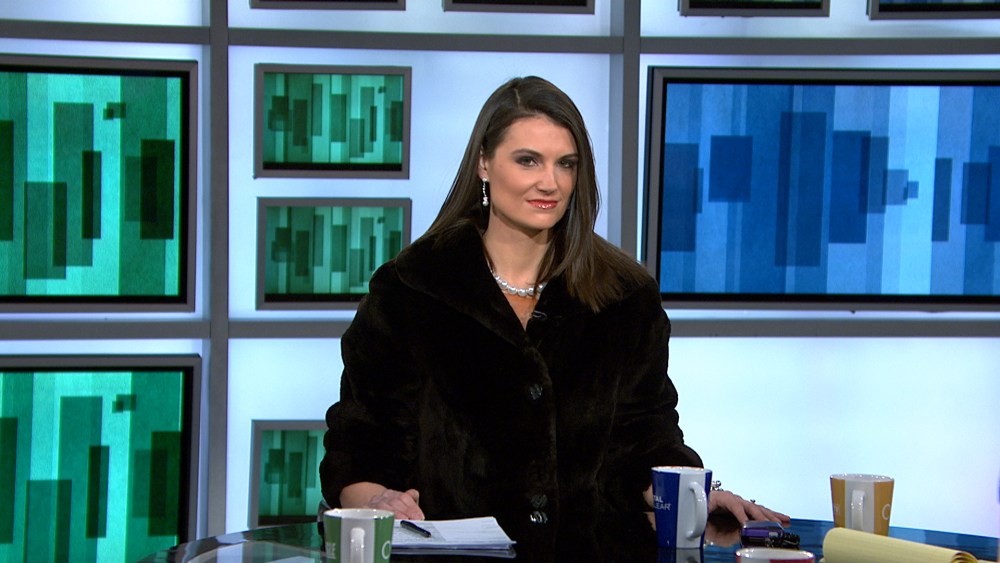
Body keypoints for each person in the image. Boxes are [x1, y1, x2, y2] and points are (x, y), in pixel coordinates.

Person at [319, 76, 788, 552]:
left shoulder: (625, 296)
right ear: (484, 163)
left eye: (566, 164)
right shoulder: (411, 288)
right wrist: (375, 500)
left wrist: (690, 495)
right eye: (528, 160)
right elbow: (361, 444)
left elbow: (645, 438)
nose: (551, 182)